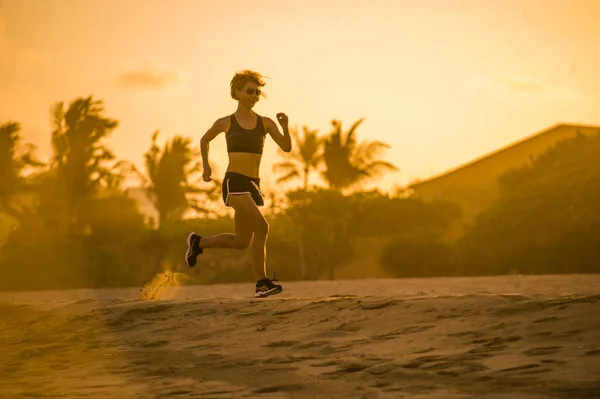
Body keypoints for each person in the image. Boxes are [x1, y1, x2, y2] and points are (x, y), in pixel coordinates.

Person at [185, 70, 292, 298]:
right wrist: (205, 166)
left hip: (253, 185)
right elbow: (204, 139)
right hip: (234, 182)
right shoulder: (226, 122)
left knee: (242, 242)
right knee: (263, 227)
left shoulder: (265, 123)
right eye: (250, 91)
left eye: (258, 92)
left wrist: (285, 126)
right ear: (237, 93)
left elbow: (286, 147)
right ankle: (262, 283)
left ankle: (198, 242)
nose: (255, 95)